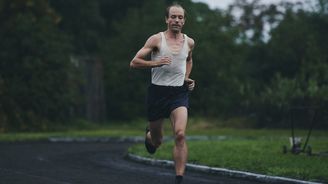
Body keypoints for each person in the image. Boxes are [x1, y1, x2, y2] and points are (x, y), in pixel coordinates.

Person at [130, 3, 195, 184]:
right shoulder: (156, 40)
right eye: (173, 16)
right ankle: (149, 135)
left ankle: (179, 177)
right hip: (157, 93)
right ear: (167, 19)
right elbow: (134, 62)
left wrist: (185, 78)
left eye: (180, 17)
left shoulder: (189, 42)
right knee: (156, 143)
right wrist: (156, 63)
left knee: (180, 134)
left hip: (178, 94)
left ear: (184, 21)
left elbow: (189, 60)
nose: (176, 20)